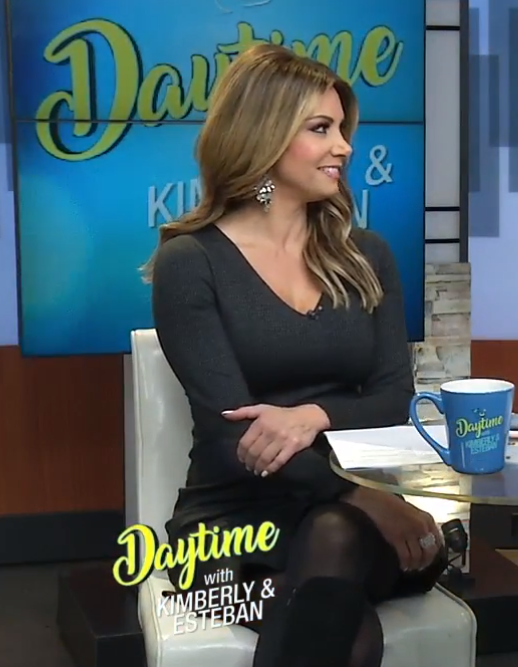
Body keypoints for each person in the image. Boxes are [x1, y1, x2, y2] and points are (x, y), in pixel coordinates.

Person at [144, 43, 447, 667]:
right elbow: (232, 435)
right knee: (345, 621)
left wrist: (314, 416)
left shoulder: (367, 256)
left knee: (333, 544)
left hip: (358, 518)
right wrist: (358, 496)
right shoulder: (190, 262)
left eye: (342, 130)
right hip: (233, 528)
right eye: (321, 129)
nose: (345, 147)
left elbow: (394, 400)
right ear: (264, 135)